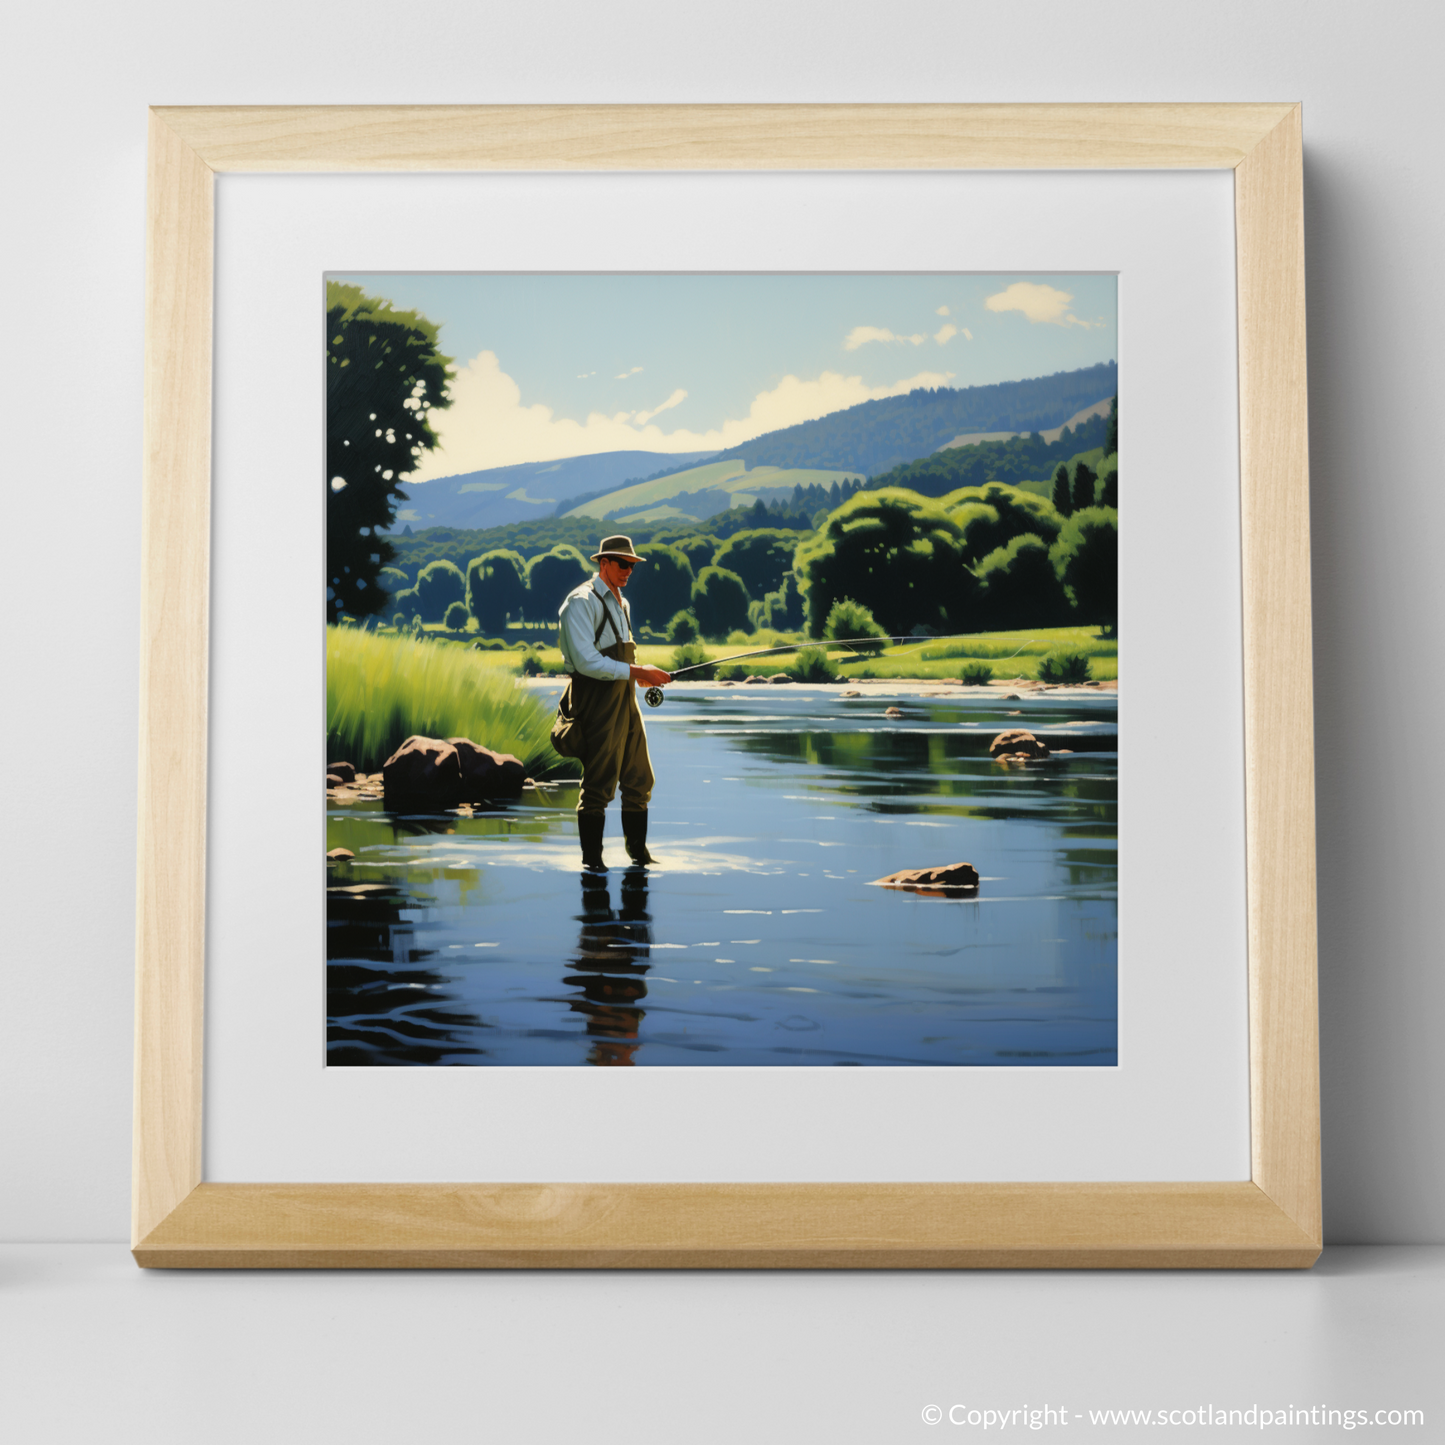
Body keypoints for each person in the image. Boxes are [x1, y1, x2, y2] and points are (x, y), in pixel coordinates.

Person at [556, 536, 671, 869]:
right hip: (595, 701)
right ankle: (593, 863)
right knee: (598, 784)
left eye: (632, 565)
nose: (629, 571)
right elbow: (587, 662)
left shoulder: (623, 603)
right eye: (623, 564)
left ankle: (639, 856)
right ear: (603, 563)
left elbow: (619, 661)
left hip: (625, 698)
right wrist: (637, 670)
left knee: (639, 777)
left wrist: (641, 677)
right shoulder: (580, 602)